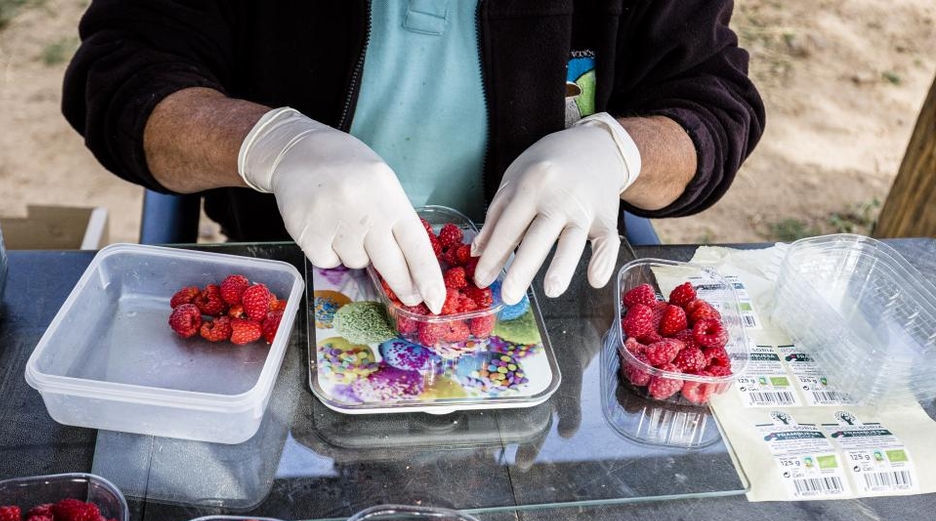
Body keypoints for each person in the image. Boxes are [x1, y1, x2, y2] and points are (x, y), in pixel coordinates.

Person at [62, 1, 764, 316]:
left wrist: (619, 152)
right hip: (294, 279)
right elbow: (119, 76)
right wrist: (270, 143)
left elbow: (713, 103)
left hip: (537, 291)